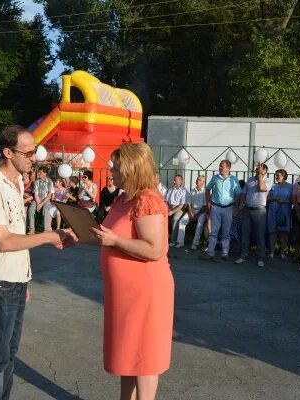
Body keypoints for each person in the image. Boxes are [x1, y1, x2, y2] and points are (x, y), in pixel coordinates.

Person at [0, 125, 76, 399]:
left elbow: (17, 234)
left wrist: (24, 277)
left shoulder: (18, 182)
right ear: (8, 152)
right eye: (29, 152)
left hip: (15, 279)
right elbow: (5, 241)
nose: (35, 157)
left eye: (35, 151)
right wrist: (49, 236)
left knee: (8, 355)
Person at [90, 142, 174, 400]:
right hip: (126, 295)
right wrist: (81, 233)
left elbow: (154, 249)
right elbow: (111, 233)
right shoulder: (125, 197)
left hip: (145, 293)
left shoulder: (147, 200)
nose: (111, 171)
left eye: (116, 167)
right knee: (129, 355)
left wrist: (115, 241)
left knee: (145, 357)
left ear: (132, 169)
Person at [201, 160, 242, 261]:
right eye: (220, 166)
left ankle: (224, 254)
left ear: (228, 168)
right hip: (215, 207)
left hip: (228, 208)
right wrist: (208, 203)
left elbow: (238, 193)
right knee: (214, 232)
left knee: (226, 233)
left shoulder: (234, 179)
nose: (219, 168)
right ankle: (210, 253)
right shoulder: (215, 177)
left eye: (221, 166)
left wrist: (236, 207)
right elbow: (207, 189)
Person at [235, 163, 271, 267]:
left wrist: (260, 175)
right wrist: (241, 203)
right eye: (256, 170)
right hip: (247, 209)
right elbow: (244, 193)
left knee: (260, 235)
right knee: (245, 233)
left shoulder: (268, 180)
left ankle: (260, 258)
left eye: (259, 170)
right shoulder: (250, 180)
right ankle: (243, 256)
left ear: (265, 171)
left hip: (259, 210)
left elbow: (262, 188)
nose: (257, 171)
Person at [267, 169, 293, 259]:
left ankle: (282, 252)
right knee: (272, 232)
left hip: (285, 212)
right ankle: (271, 252)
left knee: (284, 233)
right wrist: (275, 198)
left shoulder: (290, 187)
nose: (276, 177)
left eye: (278, 175)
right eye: (276, 175)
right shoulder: (273, 186)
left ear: (284, 176)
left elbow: (293, 200)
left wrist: (285, 200)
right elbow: (267, 198)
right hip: (273, 211)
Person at [165, 174, 190, 248]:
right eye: (174, 180)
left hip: (180, 208)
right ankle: (163, 238)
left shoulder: (184, 191)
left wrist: (172, 212)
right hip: (170, 207)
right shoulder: (170, 190)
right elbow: (166, 202)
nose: (174, 181)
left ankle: (173, 240)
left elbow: (181, 205)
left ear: (181, 181)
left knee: (175, 219)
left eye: (175, 180)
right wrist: (168, 210)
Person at [27, 166, 54, 234]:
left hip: (46, 199)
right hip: (37, 199)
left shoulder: (50, 182)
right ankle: (31, 229)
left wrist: (41, 204)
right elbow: (36, 194)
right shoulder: (36, 182)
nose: (38, 173)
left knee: (46, 209)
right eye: (38, 172)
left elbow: (49, 196)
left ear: (45, 173)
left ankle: (46, 230)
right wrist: (38, 204)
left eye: (40, 172)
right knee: (31, 209)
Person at [188, 176, 208, 250]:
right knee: (182, 221)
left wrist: (197, 215)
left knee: (199, 225)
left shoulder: (205, 192)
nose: (197, 181)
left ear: (203, 182)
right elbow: (189, 204)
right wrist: (191, 213)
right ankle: (179, 242)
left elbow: (205, 206)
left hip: (201, 212)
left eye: (199, 180)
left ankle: (195, 243)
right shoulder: (192, 191)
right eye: (197, 179)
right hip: (192, 211)